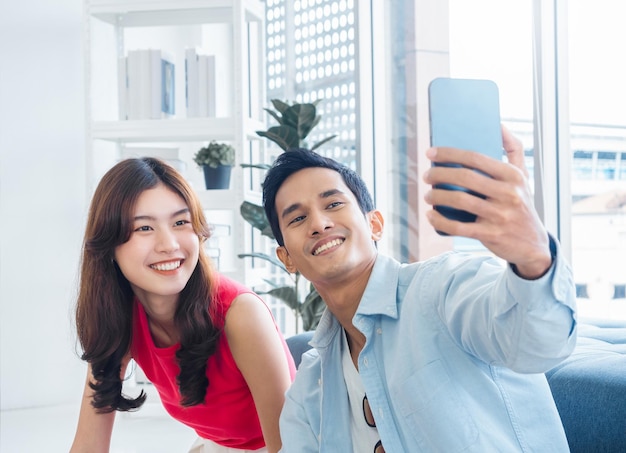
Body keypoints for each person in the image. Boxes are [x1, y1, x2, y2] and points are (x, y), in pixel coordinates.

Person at [262, 126, 577, 452]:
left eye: (333, 204)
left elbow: (539, 343)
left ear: (375, 225)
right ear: (287, 259)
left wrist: (534, 257)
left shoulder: (443, 289)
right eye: (297, 219)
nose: (318, 224)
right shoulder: (311, 388)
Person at [70, 157, 296, 453]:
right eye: (144, 228)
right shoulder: (118, 318)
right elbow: (89, 445)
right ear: (109, 246)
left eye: (180, 222)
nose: (169, 244)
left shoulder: (240, 313)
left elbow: (290, 445)